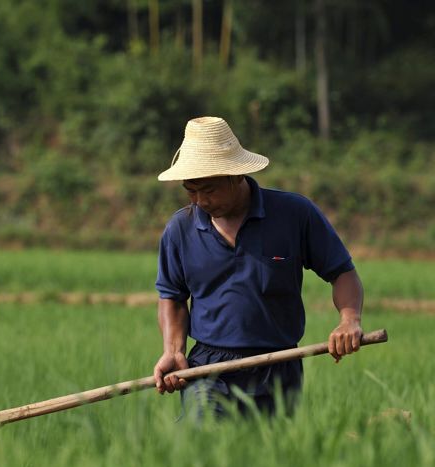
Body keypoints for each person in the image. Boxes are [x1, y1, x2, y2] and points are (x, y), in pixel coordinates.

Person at [152, 116, 364, 420]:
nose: (199, 201)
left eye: (208, 190)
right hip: (208, 370)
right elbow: (171, 296)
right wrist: (173, 351)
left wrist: (349, 319)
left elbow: (342, 272)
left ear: (236, 176)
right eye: (191, 191)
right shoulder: (180, 229)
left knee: (270, 460)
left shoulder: (294, 215)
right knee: (204, 443)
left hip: (278, 364)